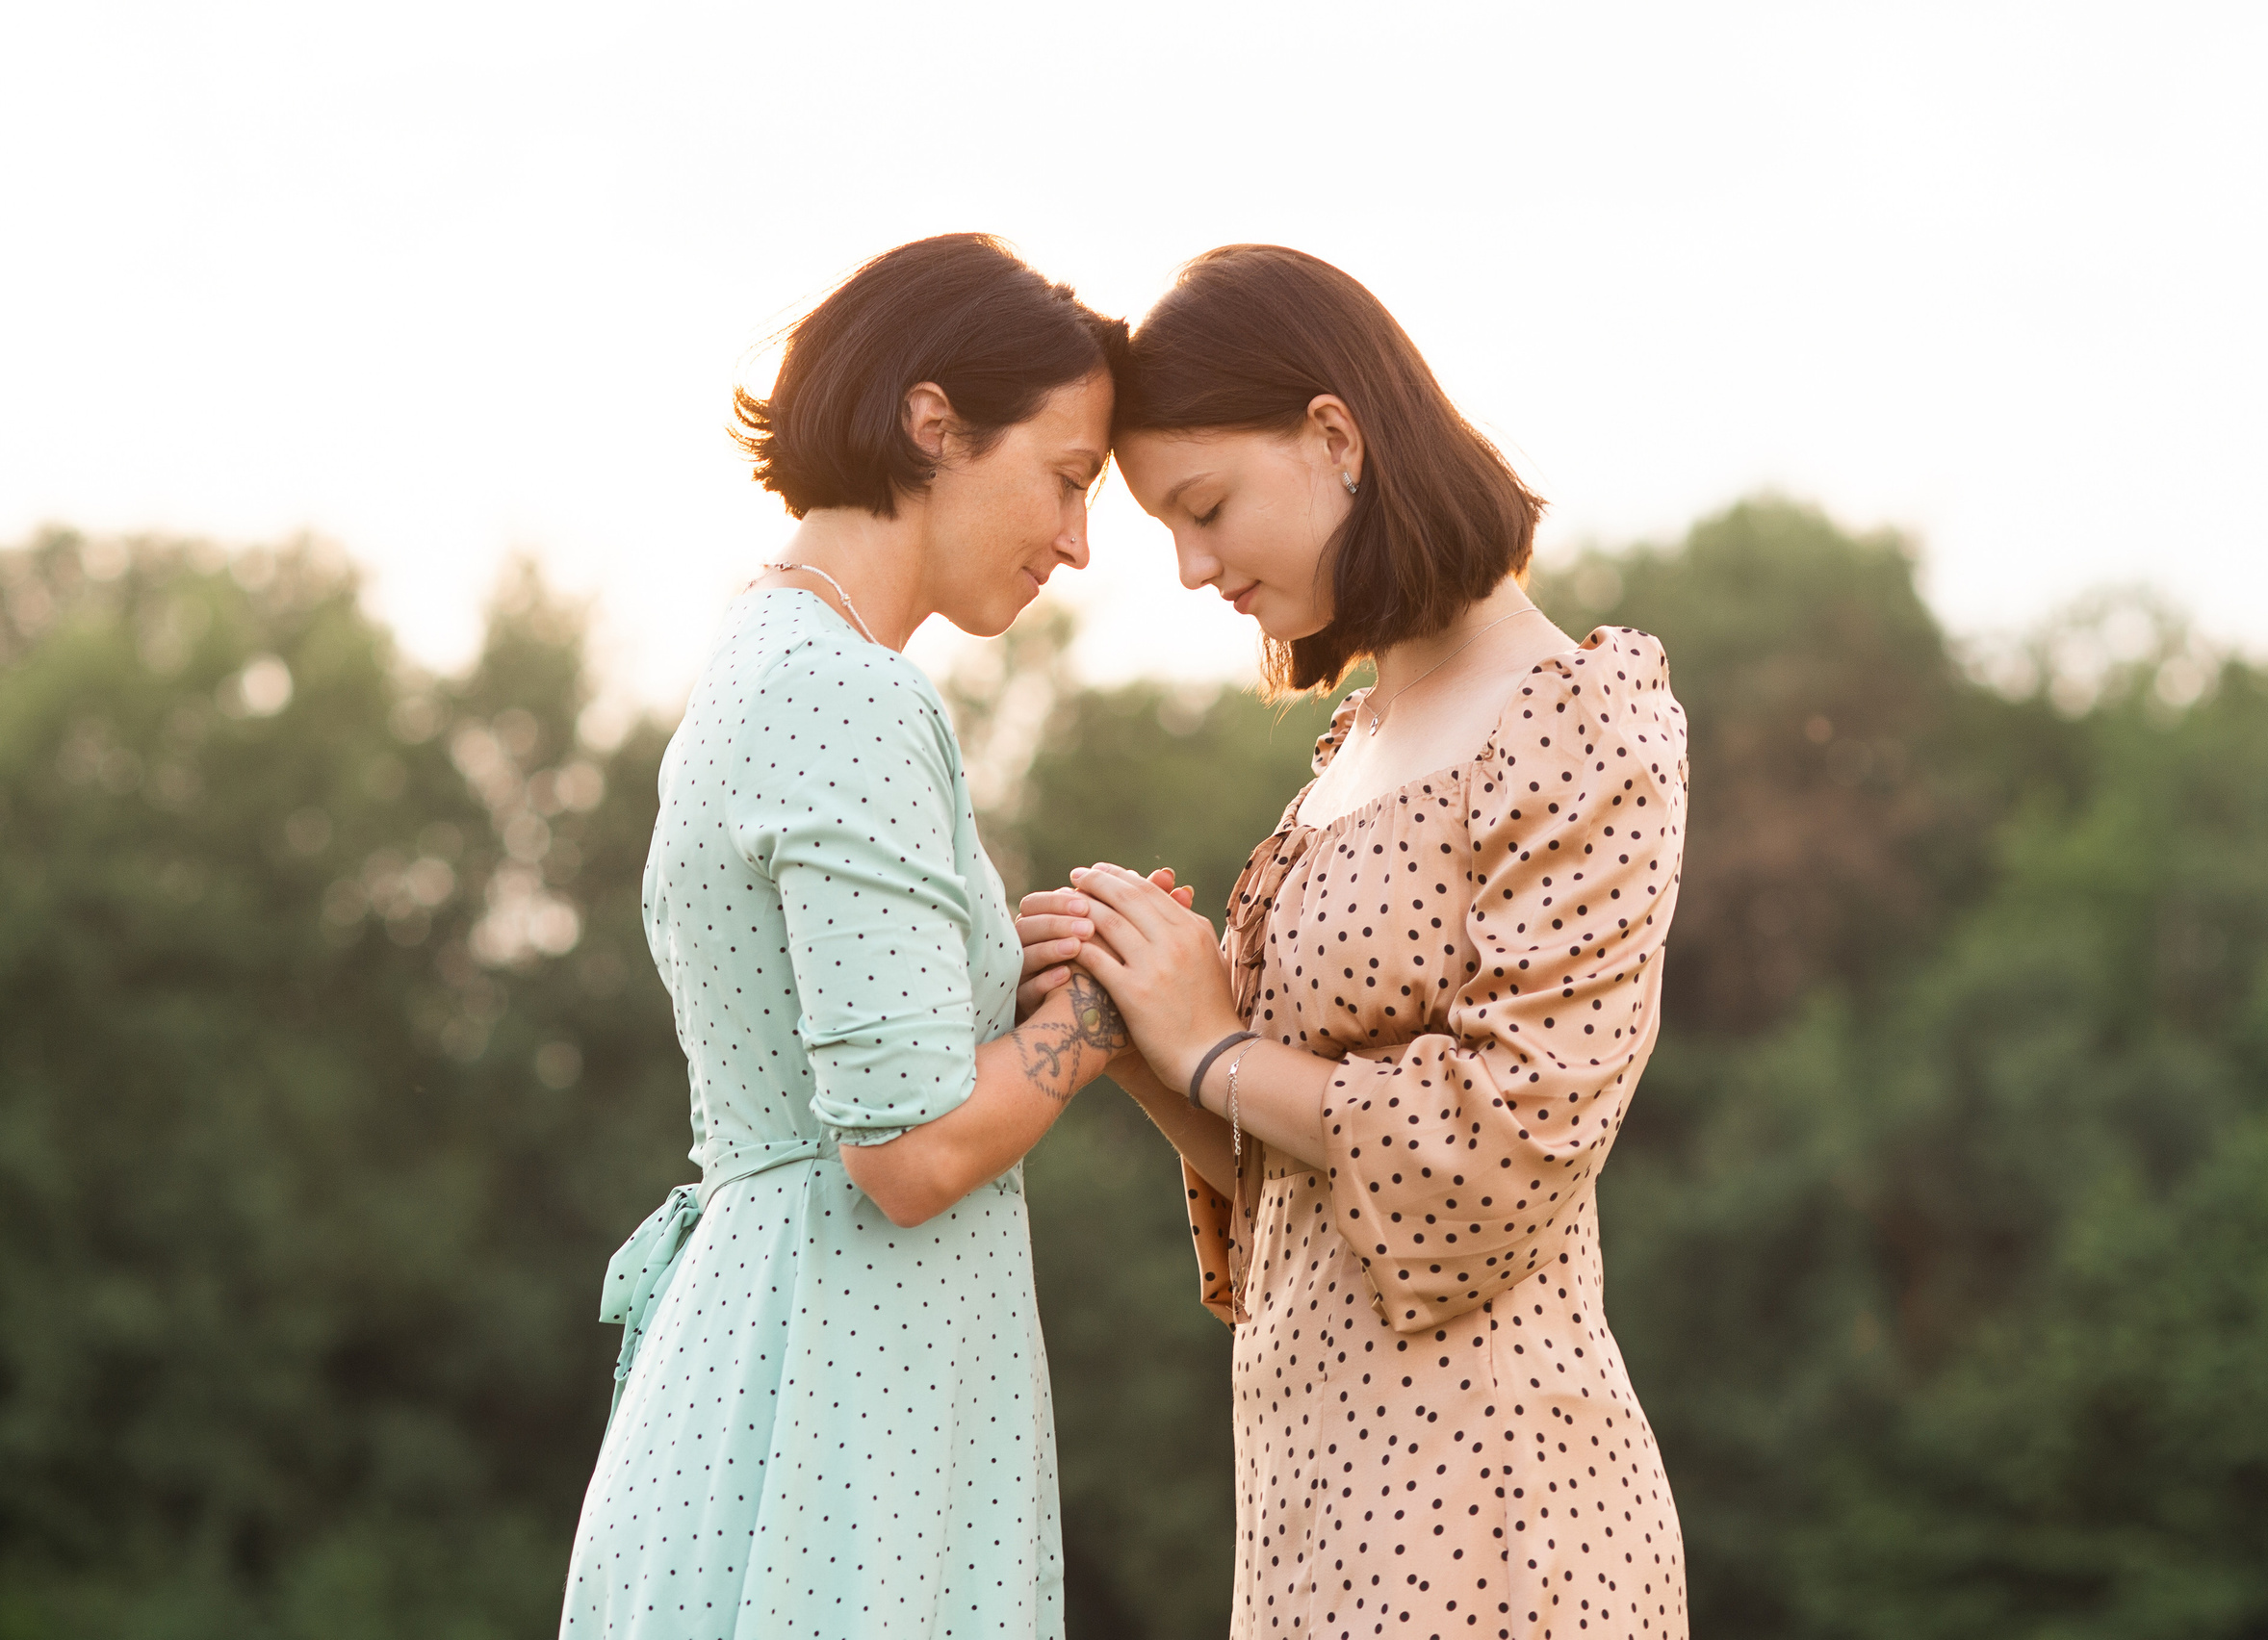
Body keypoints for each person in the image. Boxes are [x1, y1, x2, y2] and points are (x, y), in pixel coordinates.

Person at [1018, 246, 1692, 1639]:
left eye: (1205, 509)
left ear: (1335, 437)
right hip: (1310, 1504)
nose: (1194, 567)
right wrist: (1143, 1029)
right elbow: (1301, 1193)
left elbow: (1501, 1152)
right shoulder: (1361, 739)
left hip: (1496, 1509)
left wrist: (1213, 1046)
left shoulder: (1583, 722)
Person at [562, 233, 1181, 1640]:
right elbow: (905, 1153)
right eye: (1069, 478)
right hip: (835, 1397)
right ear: (931, 419)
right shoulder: (840, 693)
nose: (1080, 540)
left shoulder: (778, 659)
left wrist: (1024, 986)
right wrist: (1102, 1013)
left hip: (830, 1369)